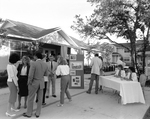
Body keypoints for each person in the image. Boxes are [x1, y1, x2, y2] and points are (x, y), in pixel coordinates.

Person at [23, 51, 48, 118]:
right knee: (40, 99)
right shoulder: (45, 64)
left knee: (31, 98)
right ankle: (38, 113)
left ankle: (29, 113)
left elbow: (30, 75)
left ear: (36, 56)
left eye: (34, 56)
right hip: (41, 82)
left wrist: (29, 82)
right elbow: (46, 74)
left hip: (34, 82)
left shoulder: (33, 63)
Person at [6, 53, 20, 117]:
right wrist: (17, 85)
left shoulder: (9, 65)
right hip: (12, 82)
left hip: (10, 81)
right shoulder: (11, 66)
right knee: (12, 96)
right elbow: (13, 76)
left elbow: (14, 73)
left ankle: (13, 107)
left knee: (13, 95)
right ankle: (8, 111)